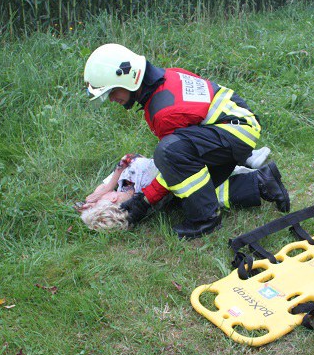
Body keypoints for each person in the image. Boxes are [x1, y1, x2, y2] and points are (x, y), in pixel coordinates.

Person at [84, 44, 290, 239]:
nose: (112, 99)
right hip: (236, 124)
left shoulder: (164, 112)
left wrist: (144, 201)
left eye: (112, 92)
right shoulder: (167, 76)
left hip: (235, 133)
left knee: (173, 166)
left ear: (128, 78)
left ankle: (206, 219)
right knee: (187, 189)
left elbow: (172, 159)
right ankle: (261, 182)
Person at [76, 150, 283, 233]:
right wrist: (107, 187)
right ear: (113, 198)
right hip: (188, 167)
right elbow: (129, 158)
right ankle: (252, 174)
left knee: (208, 193)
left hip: (184, 165)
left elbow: (101, 189)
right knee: (209, 193)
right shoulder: (139, 179)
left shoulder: (126, 197)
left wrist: (93, 202)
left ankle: (251, 169)